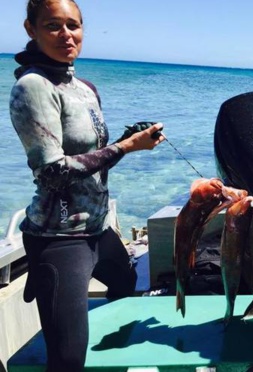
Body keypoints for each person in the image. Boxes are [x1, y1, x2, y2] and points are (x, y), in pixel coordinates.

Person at [9, 1, 165, 370]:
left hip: (98, 230)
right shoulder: (33, 87)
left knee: (126, 284)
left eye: (73, 25)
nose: (66, 35)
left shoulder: (85, 88)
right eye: (53, 26)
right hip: (59, 239)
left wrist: (129, 141)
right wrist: (126, 146)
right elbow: (52, 172)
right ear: (31, 28)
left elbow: (94, 158)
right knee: (66, 359)